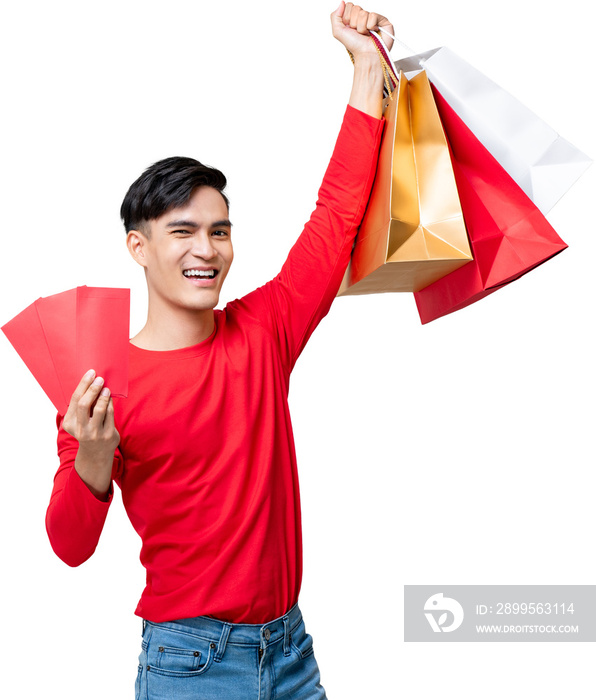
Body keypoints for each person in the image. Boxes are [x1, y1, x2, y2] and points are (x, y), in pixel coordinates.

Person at [45, 3, 393, 698]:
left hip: (292, 651)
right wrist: (89, 455)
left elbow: (338, 216)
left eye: (220, 230)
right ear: (138, 249)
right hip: (190, 663)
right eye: (182, 231)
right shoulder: (100, 386)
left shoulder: (264, 331)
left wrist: (363, 68)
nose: (207, 249)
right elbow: (70, 547)